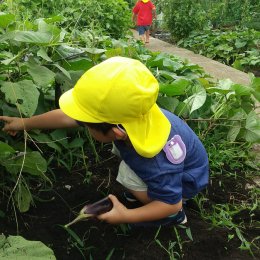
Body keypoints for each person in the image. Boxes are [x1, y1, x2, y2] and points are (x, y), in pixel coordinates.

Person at [0, 57, 209, 227]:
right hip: (178, 168)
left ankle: (171, 218)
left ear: (117, 133)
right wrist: (24, 122)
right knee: (129, 167)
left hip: (184, 183)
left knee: (128, 176)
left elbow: (171, 204)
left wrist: (126, 216)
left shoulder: (154, 160)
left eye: (88, 125)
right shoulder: (132, 114)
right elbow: (67, 116)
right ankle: (147, 196)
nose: (83, 125)